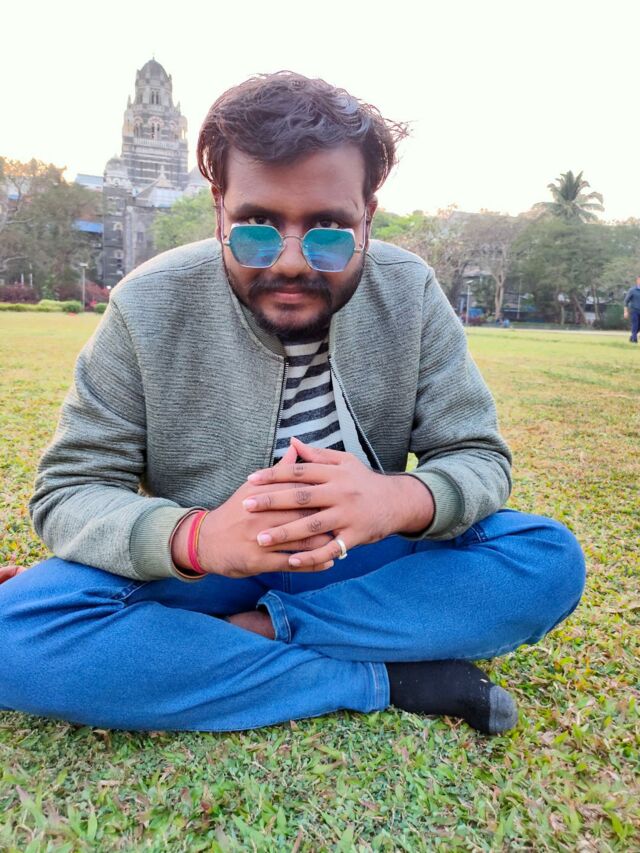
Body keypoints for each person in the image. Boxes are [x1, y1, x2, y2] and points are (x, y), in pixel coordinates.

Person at [0, 72, 585, 736]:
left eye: (328, 230)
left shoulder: (410, 291)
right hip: (203, 568)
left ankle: (243, 637)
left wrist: (393, 500)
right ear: (219, 209)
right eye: (257, 226)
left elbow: (476, 455)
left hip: (368, 563)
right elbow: (70, 489)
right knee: (10, 633)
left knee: (547, 559)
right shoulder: (148, 302)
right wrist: (199, 538)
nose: (289, 262)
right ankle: (384, 678)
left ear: (367, 217)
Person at [623, 276, 640, 343]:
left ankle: (632, 337)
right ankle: (634, 340)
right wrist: (625, 312)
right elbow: (626, 301)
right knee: (635, 325)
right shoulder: (632, 290)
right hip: (634, 311)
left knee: (638, 327)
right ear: (637, 281)